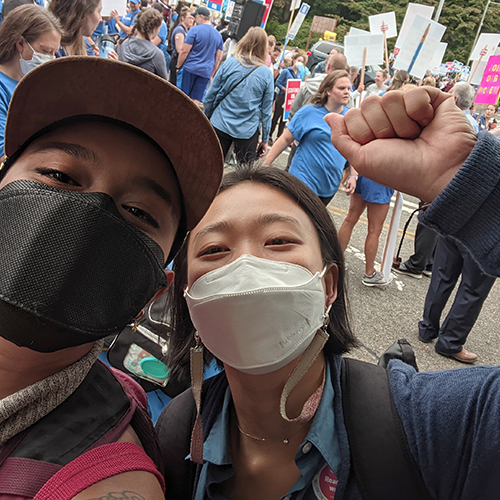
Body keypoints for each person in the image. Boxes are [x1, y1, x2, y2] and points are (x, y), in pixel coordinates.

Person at [157, 96, 500, 496]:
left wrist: (470, 183)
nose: (246, 267)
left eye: (279, 241)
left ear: (329, 285)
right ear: (187, 296)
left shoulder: (437, 426)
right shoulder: (174, 437)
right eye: (214, 250)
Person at [0, 56, 223, 496]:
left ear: (151, 292)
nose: (89, 216)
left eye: (138, 212)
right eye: (59, 175)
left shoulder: (110, 476)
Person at [394, 82, 479, 280]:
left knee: (428, 222)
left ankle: (417, 263)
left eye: (449, 94)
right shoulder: (473, 123)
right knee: (441, 224)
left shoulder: (452, 123)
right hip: (458, 182)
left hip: (441, 179)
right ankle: (430, 262)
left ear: (455, 100)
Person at [263, 70, 354, 206]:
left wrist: (353, 175)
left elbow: (353, 150)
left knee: (312, 225)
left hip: (329, 185)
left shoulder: (351, 118)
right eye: (341, 88)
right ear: (328, 91)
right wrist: (266, 164)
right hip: (303, 178)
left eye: (348, 88)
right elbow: (285, 139)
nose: (347, 92)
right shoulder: (309, 112)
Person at [204, 27, 273, 165]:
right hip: (247, 129)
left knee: (211, 166)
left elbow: (211, 95)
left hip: (220, 122)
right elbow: (266, 111)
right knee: (244, 175)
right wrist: (265, 139)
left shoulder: (230, 63)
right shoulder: (266, 74)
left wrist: (207, 117)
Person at [0, 4, 62, 157]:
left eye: (54, 53)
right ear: (20, 43)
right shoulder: (3, 88)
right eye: (45, 51)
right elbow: (5, 154)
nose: (50, 59)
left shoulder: (35, 82)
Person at [176, 6, 223, 105]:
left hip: (190, 68)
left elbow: (184, 51)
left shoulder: (194, 30)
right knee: (196, 100)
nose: (194, 19)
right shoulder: (218, 36)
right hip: (205, 71)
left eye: (195, 16)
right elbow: (218, 58)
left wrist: (178, 66)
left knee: (183, 97)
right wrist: (212, 73)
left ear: (201, 17)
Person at [115, 8, 167, 79]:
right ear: (154, 30)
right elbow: (165, 86)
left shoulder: (123, 43)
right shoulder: (156, 54)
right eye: (159, 28)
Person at [270, 52, 303, 141]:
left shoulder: (299, 74)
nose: (301, 63)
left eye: (302, 62)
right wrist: (285, 89)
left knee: (284, 120)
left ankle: (279, 137)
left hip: (290, 99)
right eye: (299, 61)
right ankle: (269, 135)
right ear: (294, 60)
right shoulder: (286, 71)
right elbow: (278, 82)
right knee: (276, 116)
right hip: (282, 97)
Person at [168, 5, 194, 86]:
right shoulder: (180, 30)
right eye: (189, 18)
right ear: (182, 18)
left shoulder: (186, 31)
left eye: (193, 18)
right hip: (176, 61)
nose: (191, 20)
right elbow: (179, 49)